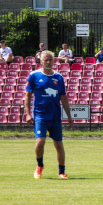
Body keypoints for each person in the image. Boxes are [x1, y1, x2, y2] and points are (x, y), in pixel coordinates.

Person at [24, 50, 74, 179]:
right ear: (40, 61)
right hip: (40, 115)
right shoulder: (34, 76)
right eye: (45, 60)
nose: (47, 62)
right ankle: (40, 165)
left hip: (55, 116)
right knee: (40, 142)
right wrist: (28, 114)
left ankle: (61, 172)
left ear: (54, 61)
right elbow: (28, 96)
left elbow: (64, 98)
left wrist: (69, 116)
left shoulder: (59, 77)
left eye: (50, 60)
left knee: (58, 144)